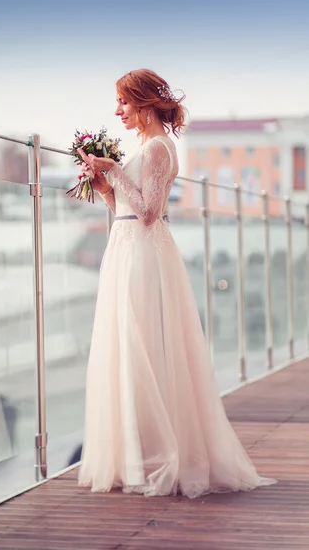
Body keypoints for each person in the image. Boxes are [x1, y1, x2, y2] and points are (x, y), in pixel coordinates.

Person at [77, 69, 276, 498]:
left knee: (147, 346)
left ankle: (159, 453)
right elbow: (125, 210)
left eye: (124, 103)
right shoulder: (144, 147)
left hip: (145, 255)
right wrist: (104, 186)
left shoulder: (161, 147)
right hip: (125, 249)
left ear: (146, 104)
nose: (118, 112)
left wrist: (113, 169)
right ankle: (135, 455)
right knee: (128, 348)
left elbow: (148, 213)